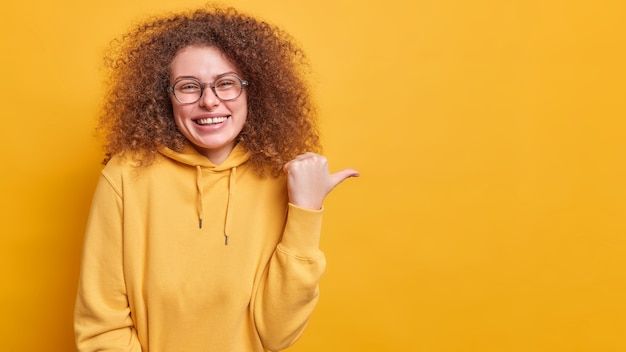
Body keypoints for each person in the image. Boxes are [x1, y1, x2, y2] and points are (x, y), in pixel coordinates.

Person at [73, 5, 359, 352]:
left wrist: (306, 210)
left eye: (226, 84)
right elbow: (101, 329)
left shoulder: (280, 179)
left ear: (252, 91)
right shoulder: (125, 177)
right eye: (189, 87)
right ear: (166, 97)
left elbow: (277, 334)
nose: (209, 101)